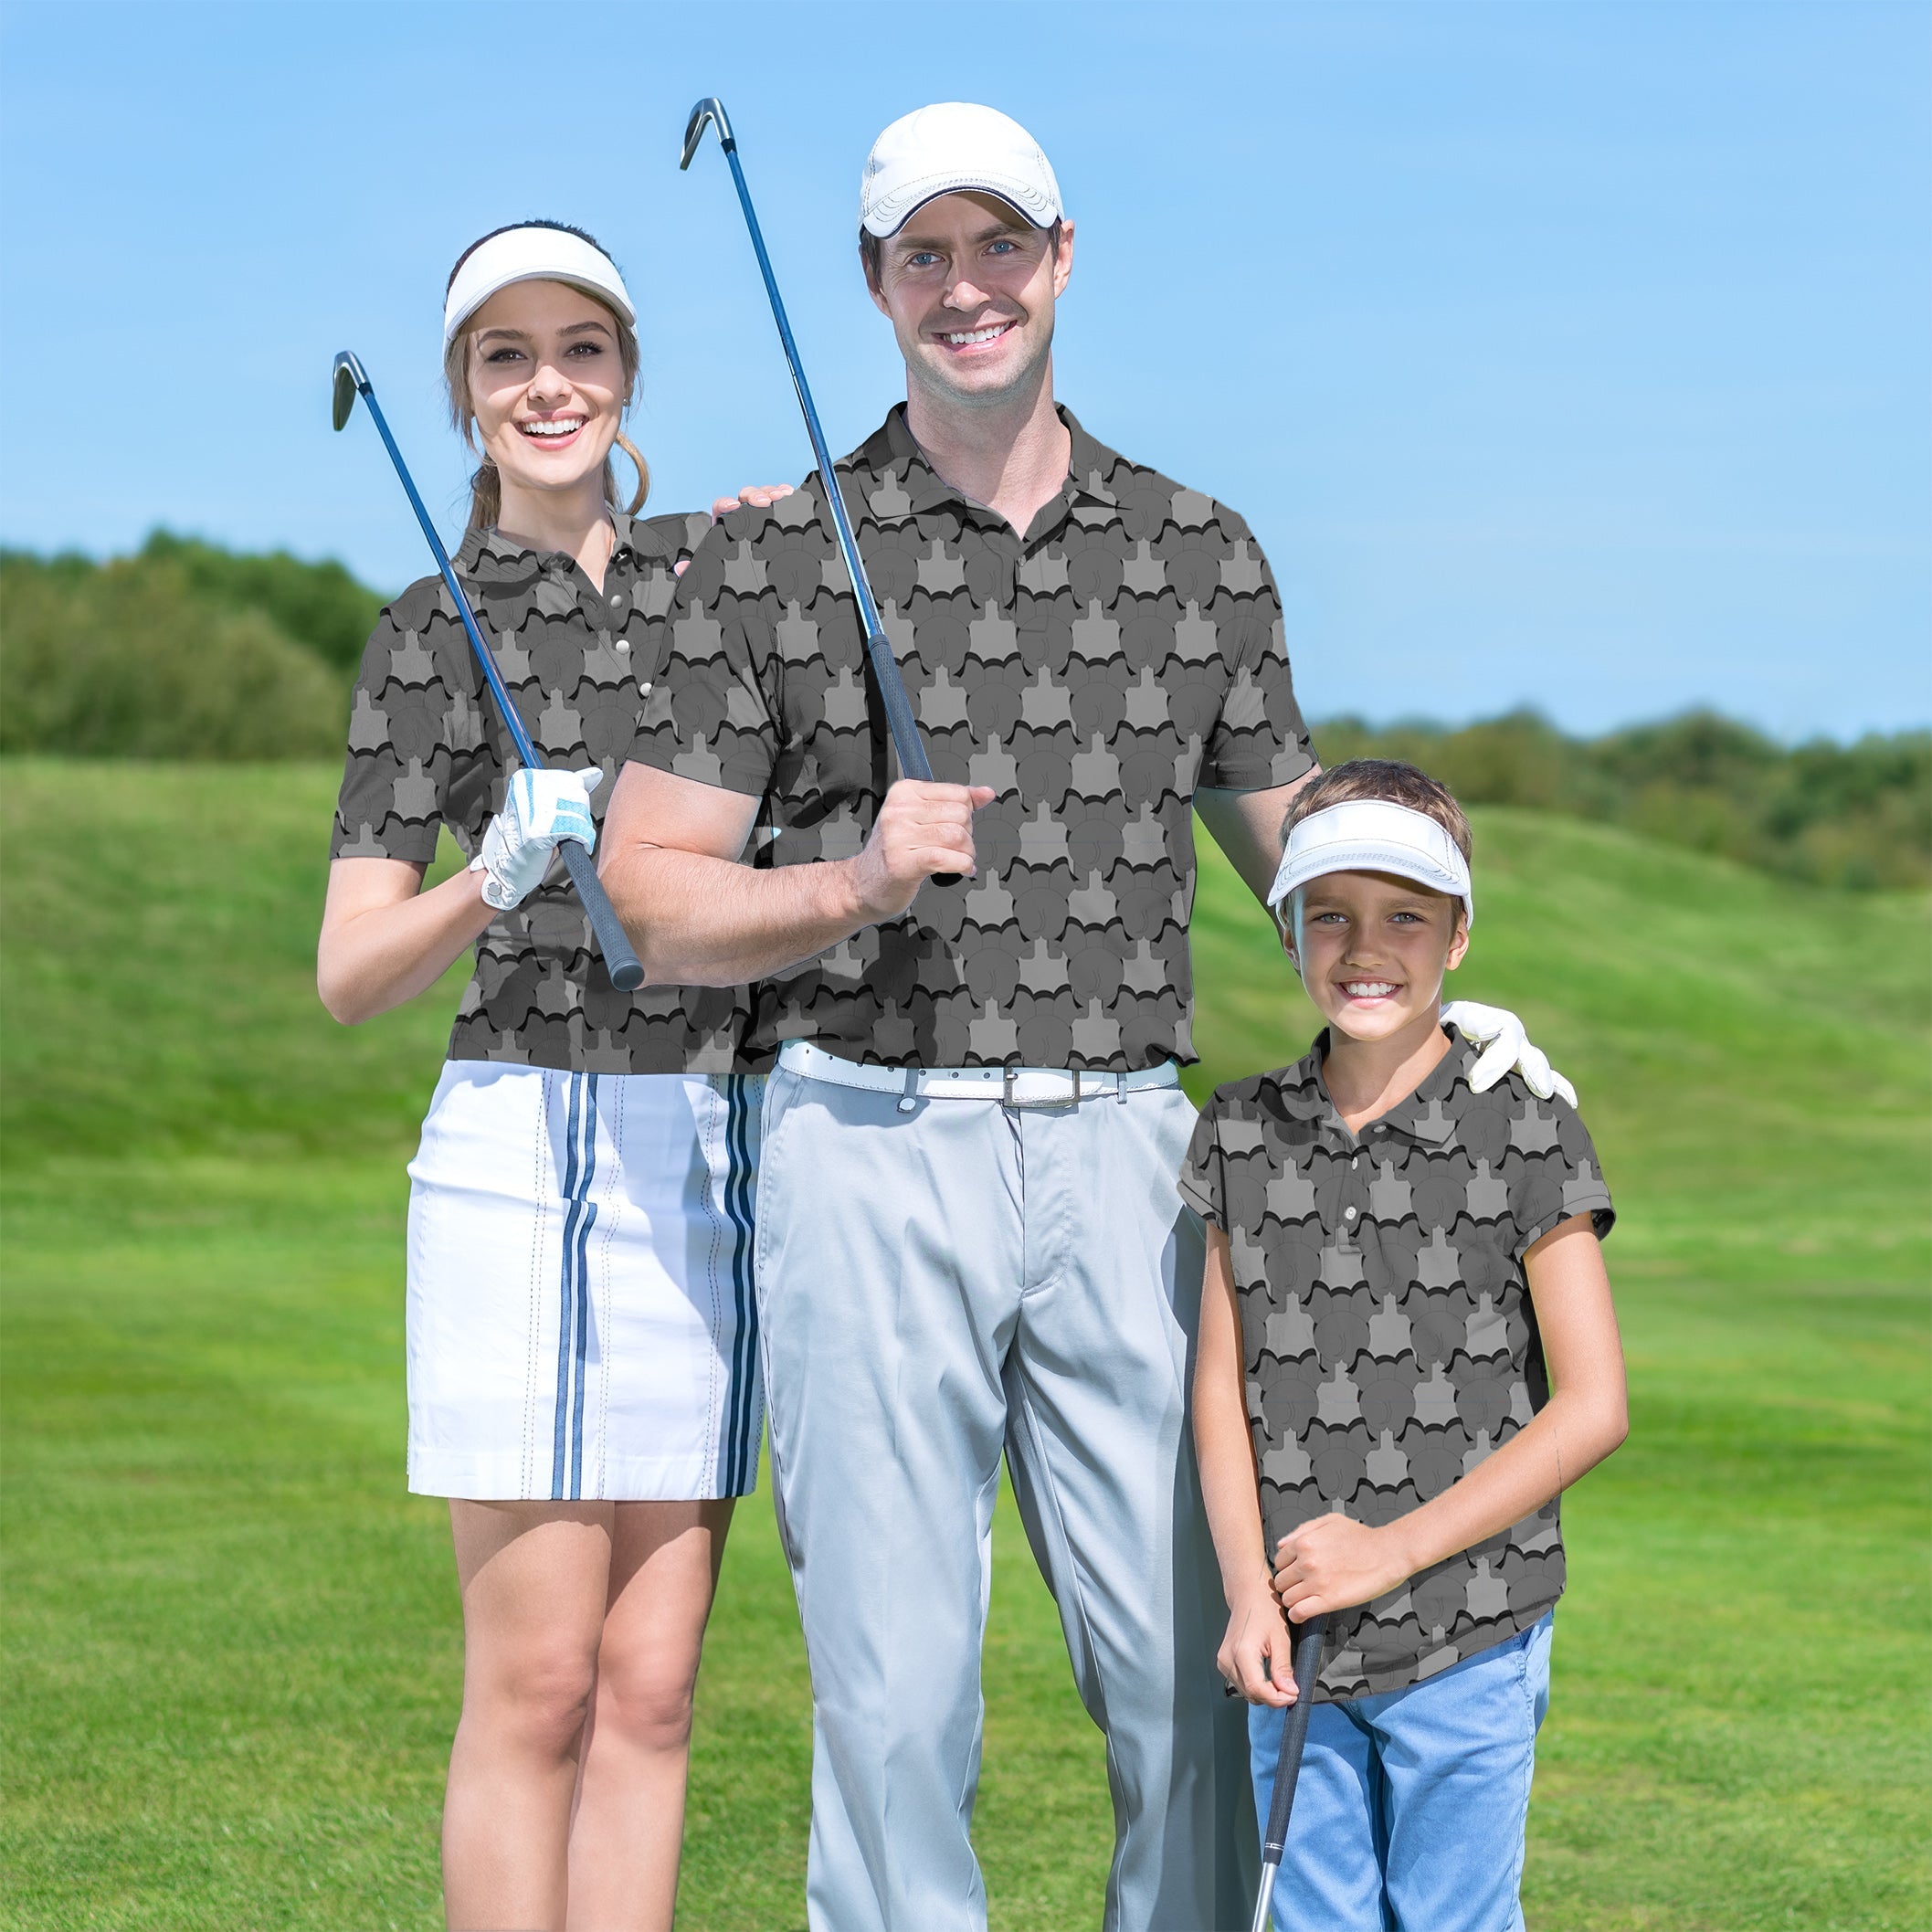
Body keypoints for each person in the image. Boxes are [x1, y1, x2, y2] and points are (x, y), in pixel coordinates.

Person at [599, 106, 1564, 1931]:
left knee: (1199, 1673)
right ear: (875, 284)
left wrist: (1448, 979)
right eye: (923, 255)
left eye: (999, 246)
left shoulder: (1201, 552)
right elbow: (649, 888)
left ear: (1061, 256)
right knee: (894, 1701)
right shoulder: (776, 552)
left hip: (1135, 1157)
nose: (967, 288)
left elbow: (1304, 855)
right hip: (861, 1141)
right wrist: (841, 886)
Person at [317, 220, 788, 1932]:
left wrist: (767, 536)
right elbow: (350, 972)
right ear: (462, 393)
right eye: (506, 356)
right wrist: (489, 876)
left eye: (579, 349)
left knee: (654, 1687)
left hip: (701, 1148)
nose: (548, 385)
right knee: (538, 1687)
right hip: (520, 1141)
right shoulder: (422, 633)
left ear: (627, 373)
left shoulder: (721, 584)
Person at [1182, 759, 1629, 1931]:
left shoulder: (1524, 1121)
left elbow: (1593, 1405)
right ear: (1286, 929)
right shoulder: (1240, 1129)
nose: (1363, 946)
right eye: (1329, 913)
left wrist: (1390, 1554)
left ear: (1458, 938)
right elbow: (1220, 1393)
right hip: (1295, 1635)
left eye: (1404, 917)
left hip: (1472, 1627)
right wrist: (1245, 1593)